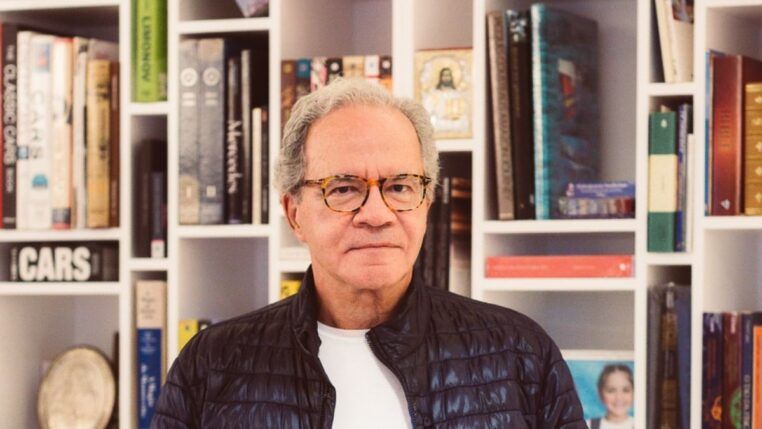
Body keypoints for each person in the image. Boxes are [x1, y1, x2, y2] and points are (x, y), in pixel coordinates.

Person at [152, 78, 586, 428]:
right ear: (294, 213)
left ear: (427, 201)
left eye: (400, 187)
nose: (377, 215)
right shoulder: (212, 365)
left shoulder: (520, 353)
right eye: (343, 189)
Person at [586, 365, 634, 429]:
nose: (619, 397)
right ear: (600, 393)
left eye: (625, 390)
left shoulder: (642, 424)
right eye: (611, 390)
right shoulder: (587, 426)